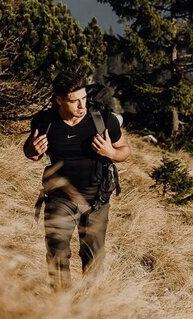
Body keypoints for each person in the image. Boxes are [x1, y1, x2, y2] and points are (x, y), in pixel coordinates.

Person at [23, 69, 131, 289]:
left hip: (96, 199)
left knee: (94, 257)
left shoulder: (102, 119)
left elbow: (125, 151)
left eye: (84, 98)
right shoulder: (45, 122)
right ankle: (61, 306)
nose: (82, 106)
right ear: (59, 100)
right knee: (56, 252)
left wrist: (110, 153)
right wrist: (32, 151)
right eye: (75, 101)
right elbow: (32, 152)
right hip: (60, 197)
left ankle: (89, 309)